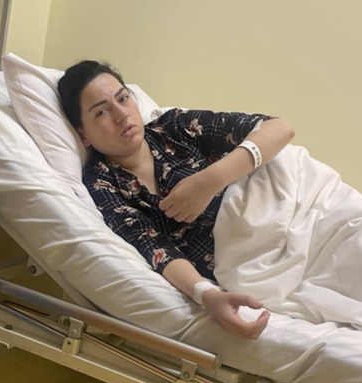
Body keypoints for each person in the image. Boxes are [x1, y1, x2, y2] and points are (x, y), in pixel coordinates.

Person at [58, 61, 296, 340]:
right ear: (83, 134)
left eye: (122, 99)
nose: (121, 115)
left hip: (294, 208)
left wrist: (209, 181)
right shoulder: (103, 183)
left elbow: (279, 128)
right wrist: (209, 296)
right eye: (101, 112)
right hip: (252, 260)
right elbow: (153, 246)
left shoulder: (173, 128)